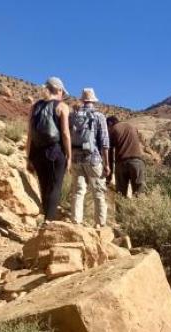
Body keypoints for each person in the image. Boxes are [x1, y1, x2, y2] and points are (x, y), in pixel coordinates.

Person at [26, 77, 72, 222]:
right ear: (58, 90)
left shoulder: (34, 106)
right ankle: (49, 223)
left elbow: (29, 134)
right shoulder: (62, 106)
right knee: (55, 188)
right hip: (55, 152)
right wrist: (69, 156)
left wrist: (28, 156)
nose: (62, 95)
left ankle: (46, 219)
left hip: (37, 153)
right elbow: (65, 133)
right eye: (62, 92)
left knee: (44, 187)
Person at [69, 88, 110, 228]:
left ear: (82, 100)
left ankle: (76, 221)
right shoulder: (99, 116)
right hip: (93, 158)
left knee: (78, 190)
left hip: (75, 157)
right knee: (98, 191)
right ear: (93, 100)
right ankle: (100, 223)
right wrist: (107, 164)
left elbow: (68, 136)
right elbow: (104, 142)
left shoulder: (73, 115)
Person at [107, 116, 146, 197]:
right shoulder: (132, 127)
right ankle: (140, 209)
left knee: (120, 195)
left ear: (110, 124)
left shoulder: (113, 129)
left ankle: (121, 209)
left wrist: (109, 175)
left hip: (121, 163)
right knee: (139, 193)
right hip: (137, 162)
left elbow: (109, 153)